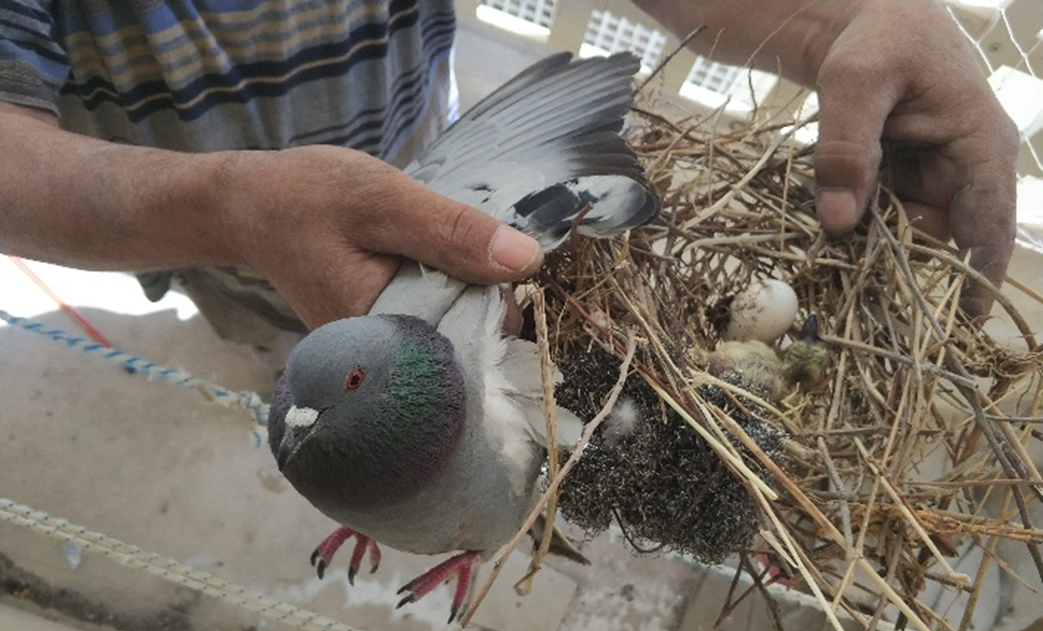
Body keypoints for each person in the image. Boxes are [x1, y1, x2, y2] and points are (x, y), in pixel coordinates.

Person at [0, 0, 1019, 353]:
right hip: (209, 235)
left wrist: (841, 20)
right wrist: (226, 211)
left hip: (437, 164)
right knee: (307, 364)